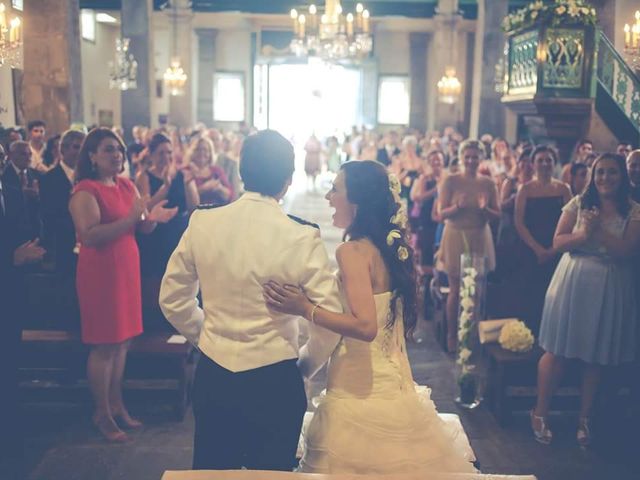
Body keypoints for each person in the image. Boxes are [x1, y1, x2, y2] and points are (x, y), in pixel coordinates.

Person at [263, 160, 477, 475]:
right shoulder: (387, 249)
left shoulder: (352, 252)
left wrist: (304, 308)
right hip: (394, 383)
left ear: (357, 201)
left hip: (358, 386)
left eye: (335, 189)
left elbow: (365, 326)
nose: (328, 198)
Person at [159, 129, 342, 471]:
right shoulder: (301, 235)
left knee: (213, 472)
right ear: (288, 180)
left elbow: (173, 298)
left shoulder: (204, 222)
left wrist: (207, 336)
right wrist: (305, 362)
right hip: (276, 377)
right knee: (271, 473)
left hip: (216, 372)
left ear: (241, 172)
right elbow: (329, 317)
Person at [69, 128, 178, 442]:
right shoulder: (85, 191)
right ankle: (101, 412)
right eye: (107, 150)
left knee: (124, 341)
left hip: (126, 270)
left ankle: (117, 405)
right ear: (91, 156)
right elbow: (89, 235)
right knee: (104, 344)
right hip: (100, 273)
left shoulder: (126, 185)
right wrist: (133, 218)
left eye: (118, 150)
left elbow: (141, 228)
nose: (116, 155)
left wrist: (153, 217)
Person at [532, 153, 640, 447]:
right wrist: (582, 234)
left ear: (622, 177)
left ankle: (584, 419)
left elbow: (627, 250)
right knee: (557, 350)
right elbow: (557, 242)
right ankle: (540, 412)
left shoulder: (633, 210)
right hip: (573, 279)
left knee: (595, 355)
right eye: (600, 172)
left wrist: (599, 233)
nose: (605, 178)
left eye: (612, 173)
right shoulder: (579, 203)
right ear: (593, 175)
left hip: (610, 282)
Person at [438, 139, 500, 352]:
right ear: (462, 158)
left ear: (481, 159)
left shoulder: (488, 183)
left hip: (479, 235)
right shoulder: (451, 181)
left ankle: (471, 335)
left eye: (475, 157)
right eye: (468, 157)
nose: (471, 160)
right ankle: (452, 336)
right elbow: (440, 213)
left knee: (475, 290)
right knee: (456, 289)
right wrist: (457, 206)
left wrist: (485, 210)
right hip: (455, 234)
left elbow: (497, 214)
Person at [514, 145, 571, 335]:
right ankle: (529, 335)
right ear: (533, 164)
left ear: (554, 164)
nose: (545, 164)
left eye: (549, 160)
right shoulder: (526, 189)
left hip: (556, 247)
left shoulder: (563, 189)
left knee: (555, 294)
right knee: (530, 293)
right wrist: (538, 249)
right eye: (540, 160)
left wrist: (553, 250)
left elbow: (571, 221)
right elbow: (519, 222)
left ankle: (552, 336)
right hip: (531, 249)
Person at [40, 129, 86, 274]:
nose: (80, 152)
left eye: (83, 148)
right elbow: (49, 216)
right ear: (63, 149)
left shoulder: (88, 177)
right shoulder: (49, 178)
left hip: (88, 246)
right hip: (61, 246)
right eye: (76, 147)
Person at [185, 135, 232, 206]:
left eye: (205, 150)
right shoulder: (185, 171)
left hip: (216, 213)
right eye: (198, 149)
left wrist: (219, 188)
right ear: (192, 152)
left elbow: (230, 195)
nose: (202, 153)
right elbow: (181, 198)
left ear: (210, 153)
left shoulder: (217, 171)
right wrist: (204, 188)